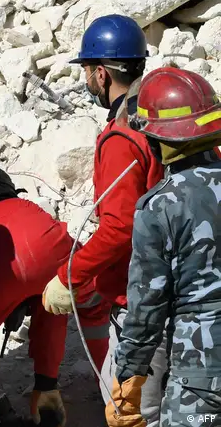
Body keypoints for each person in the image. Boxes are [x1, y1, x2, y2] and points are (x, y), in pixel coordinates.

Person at [39, 14, 167, 421]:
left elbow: (120, 227)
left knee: (132, 412)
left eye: (87, 72)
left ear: (100, 73)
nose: (87, 80)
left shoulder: (122, 137)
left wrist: (70, 275)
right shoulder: (168, 111)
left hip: (146, 299)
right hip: (192, 284)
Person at [0, 155, 107, 427]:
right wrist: (46, 381)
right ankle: (116, 393)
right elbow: (56, 296)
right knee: (86, 304)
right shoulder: (27, 208)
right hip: (48, 246)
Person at [107, 67, 221, 427]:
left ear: (156, 140)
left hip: (201, 374)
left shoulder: (160, 206)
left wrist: (128, 378)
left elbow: (147, 308)